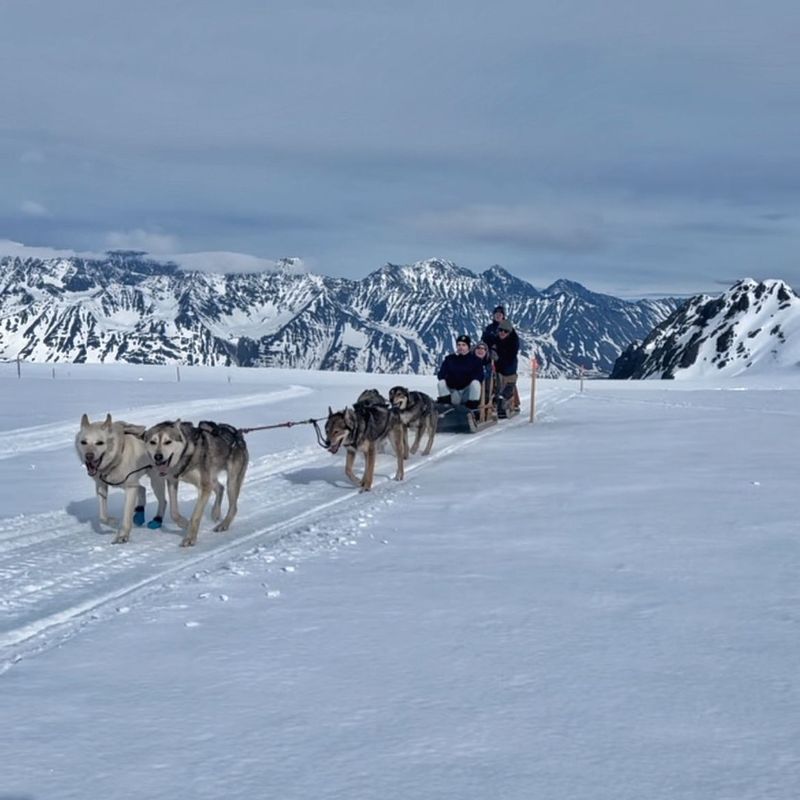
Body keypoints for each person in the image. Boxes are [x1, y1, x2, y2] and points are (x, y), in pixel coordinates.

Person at [436, 334, 484, 410]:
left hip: (467, 392)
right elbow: (440, 374)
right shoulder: (449, 359)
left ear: (468, 346)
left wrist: (466, 377)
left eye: (464, 345)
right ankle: (446, 408)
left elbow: (480, 376)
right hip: (453, 392)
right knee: (441, 383)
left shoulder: (476, 360)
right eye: (459, 345)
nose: (461, 347)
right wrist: (449, 379)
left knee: (476, 383)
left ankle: (472, 411)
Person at [492, 319, 520, 418]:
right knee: (495, 385)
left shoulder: (513, 342)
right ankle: (498, 403)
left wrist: (497, 358)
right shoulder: (496, 339)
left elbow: (510, 357)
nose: (502, 333)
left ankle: (508, 403)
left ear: (509, 332)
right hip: (499, 368)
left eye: (505, 331)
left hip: (509, 369)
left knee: (507, 387)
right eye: (501, 330)